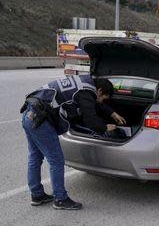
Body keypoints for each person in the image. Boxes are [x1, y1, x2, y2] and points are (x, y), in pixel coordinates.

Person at [20, 74, 126, 210]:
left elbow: (93, 102)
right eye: (103, 98)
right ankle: (60, 199)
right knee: (56, 160)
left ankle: (37, 195)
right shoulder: (86, 92)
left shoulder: (84, 81)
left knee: (35, 157)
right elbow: (91, 119)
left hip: (29, 113)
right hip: (41, 120)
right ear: (99, 91)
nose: (101, 102)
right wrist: (106, 127)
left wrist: (112, 113)